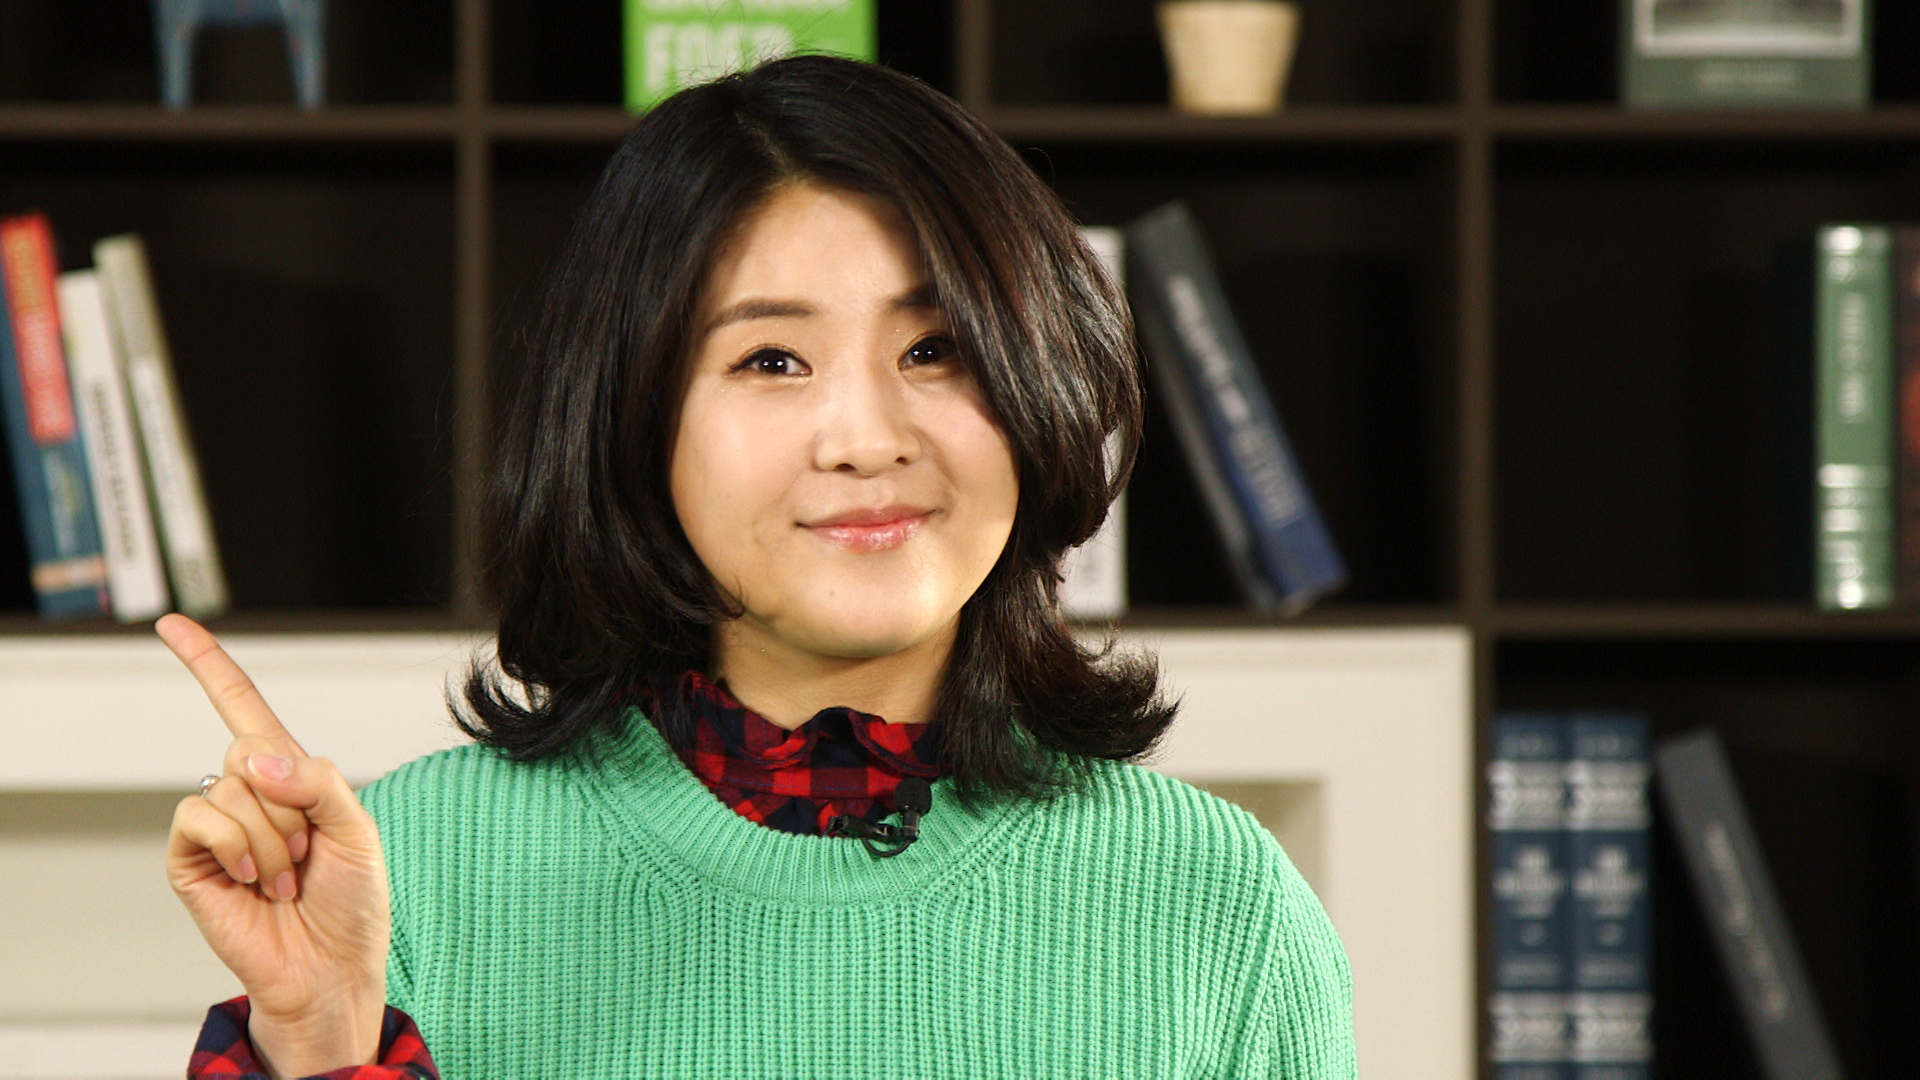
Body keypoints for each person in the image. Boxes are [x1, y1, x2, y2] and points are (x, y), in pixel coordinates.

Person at [162, 54, 1356, 1078]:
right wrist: (319, 1040)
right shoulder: (406, 876)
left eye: (936, 348)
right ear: (635, 418)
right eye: (772, 361)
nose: (866, 439)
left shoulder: (1219, 904)